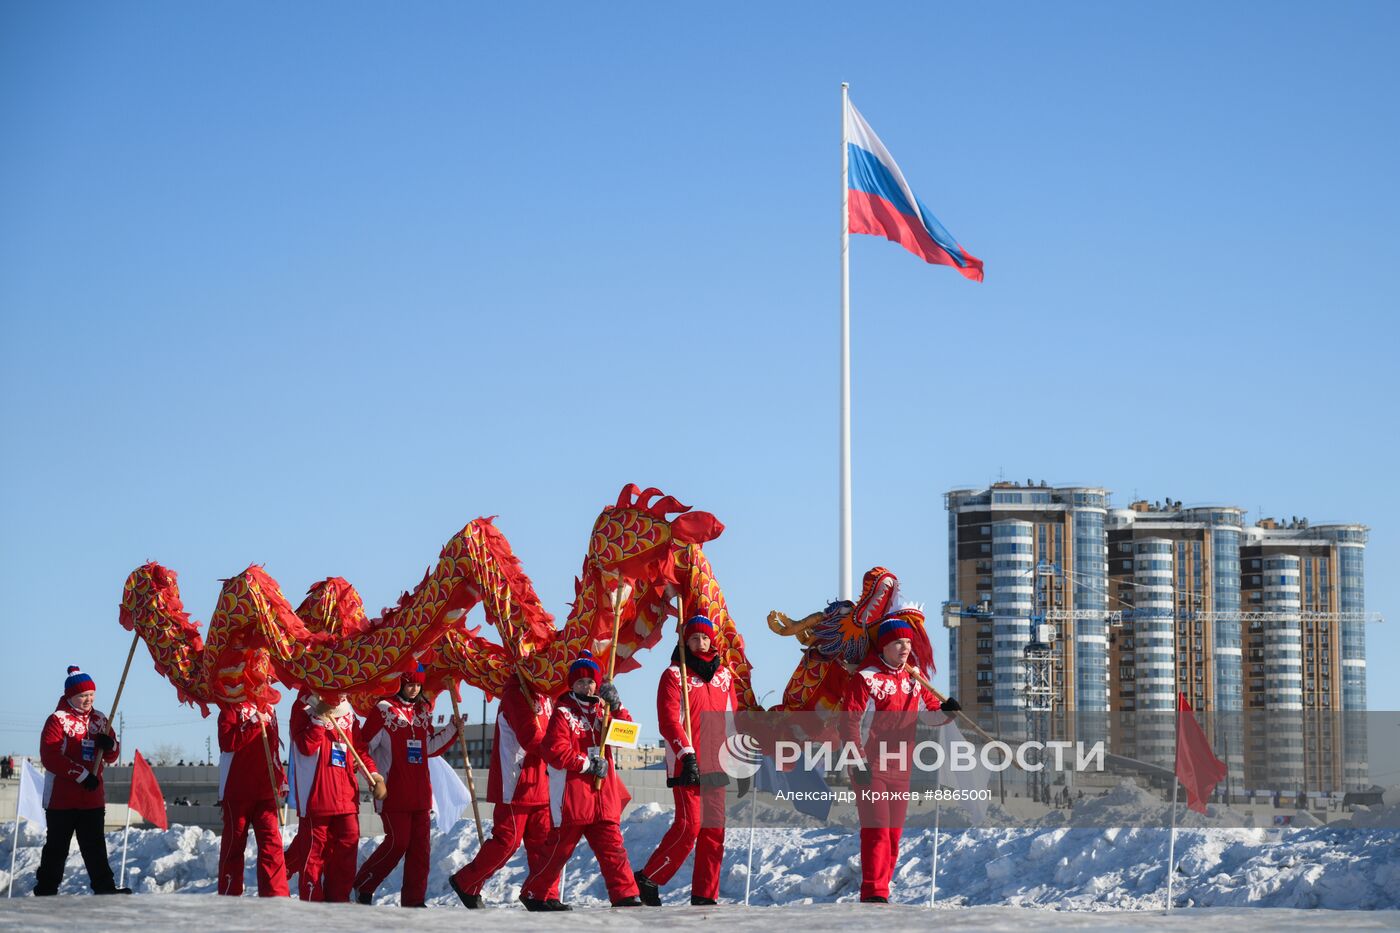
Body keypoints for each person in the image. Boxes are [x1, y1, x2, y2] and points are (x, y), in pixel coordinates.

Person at [839, 618, 957, 904]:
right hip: (870, 766)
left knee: (893, 836)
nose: (905, 648)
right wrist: (858, 761)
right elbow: (848, 723)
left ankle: (883, 888)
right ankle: (873, 892)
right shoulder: (866, 677)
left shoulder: (914, 678)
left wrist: (948, 711)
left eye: (907, 642)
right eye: (897, 643)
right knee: (877, 829)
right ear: (885, 645)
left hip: (901, 767)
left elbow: (929, 714)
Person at [519, 651, 641, 910]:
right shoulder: (563, 713)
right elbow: (554, 750)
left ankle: (625, 894)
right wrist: (586, 764)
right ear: (572, 685)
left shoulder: (603, 710)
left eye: (591, 681)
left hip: (603, 795)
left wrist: (617, 706)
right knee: (559, 851)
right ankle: (535, 893)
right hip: (572, 795)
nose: (587, 686)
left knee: (613, 847)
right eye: (581, 682)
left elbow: (627, 737)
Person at [634, 615, 739, 907]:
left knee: (714, 831)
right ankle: (649, 877)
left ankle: (706, 894)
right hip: (687, 762)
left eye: (705, 638)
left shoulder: (725, 676)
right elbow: (668, 721)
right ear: (685, 641)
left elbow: (732, 719)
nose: (700, 643)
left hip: (717, 763)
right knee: (689, 825)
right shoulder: (674, 675)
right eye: (694, 638)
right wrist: (686, 753)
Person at [352, 667, 459, 907]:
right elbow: (362, 747)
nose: (414, 689)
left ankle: (414, 900)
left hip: (420, 794)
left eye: (418, 685)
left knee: (420, 852)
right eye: (410, 684)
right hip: (394, 792)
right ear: (399, 683)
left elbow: (428, 747)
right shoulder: (383, 710)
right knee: (397, 843)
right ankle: (363, 884)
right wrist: (375, 777)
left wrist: (453, 729)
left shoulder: (422, 712)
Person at [449, 676, 555, 909]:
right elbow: (531, 737)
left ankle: (542, 894)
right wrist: (561, 753)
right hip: (516, 782)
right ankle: (466, 881)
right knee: (507, 842)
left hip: (544, 779)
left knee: (544, 844)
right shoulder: (516, 693)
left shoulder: (548, 694)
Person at [34, 666, 130, 896]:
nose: (88, 700)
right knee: (57, 847)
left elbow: (113, 755)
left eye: (91, 695)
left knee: (95, 846)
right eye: (83, 696)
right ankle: (47, 888)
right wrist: (81, 774)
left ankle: (104, 887)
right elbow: (50, 756)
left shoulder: (100, 719)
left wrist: (111, 745)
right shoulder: (57, 720)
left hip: (92, 798)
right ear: (71, 696)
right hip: (61, 799)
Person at [290, 691, 384, 901]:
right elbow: (305, 747)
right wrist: (318, 719)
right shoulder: (304, 707)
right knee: (313, 855)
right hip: (317, 797)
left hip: (346, 798)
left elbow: (359, 749)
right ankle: (312, 902)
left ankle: (338, 901)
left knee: (346, 851)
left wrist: (375, 776)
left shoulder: (348, 712)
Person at [216, 699, 288, 897]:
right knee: (234, 844)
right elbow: (227, 742)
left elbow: (273, 748)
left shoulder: (270, 708)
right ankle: (229, 894)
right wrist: (253, 722)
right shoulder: (231, 706)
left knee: (272, 844)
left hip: (265, 789)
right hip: (237, 789)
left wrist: (280, 777)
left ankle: (276, 895)